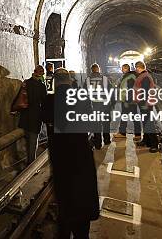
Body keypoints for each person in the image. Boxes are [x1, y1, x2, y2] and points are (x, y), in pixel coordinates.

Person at [50, 68, 99, 238]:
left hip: (60, 154)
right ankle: (81, 232)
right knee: (82, 191)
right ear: (70, 80)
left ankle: (64, 229)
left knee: (65, 195)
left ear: (55, 81)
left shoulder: (51, 100)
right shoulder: (82, 97)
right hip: (81, 152)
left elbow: (44, 118)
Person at [18, 65, 47, 164]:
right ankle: (31, 165)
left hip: (25, 115)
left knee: (26, 139)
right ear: (41, 74)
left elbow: (20, 97)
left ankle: (26, 160)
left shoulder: (26, 83)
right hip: (36, 116)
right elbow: (44, 103)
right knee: (33, 141)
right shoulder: (41, 86)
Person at [85, 63, 112, 149]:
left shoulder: (88, 80)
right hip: (105, 105)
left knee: (96, 125)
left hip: (93, 105)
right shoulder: (105, 79)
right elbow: (111, 90)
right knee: (106, 123)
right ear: (98, 69)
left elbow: (84, 93)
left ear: (91, 70)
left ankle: (98, 144)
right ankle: (107, 140)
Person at [134, 61, 159, 152]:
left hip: (145, 104)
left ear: (138, 67)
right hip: (143, 103)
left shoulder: (145, 77)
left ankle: (154, 145)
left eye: (136, 68)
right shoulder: (144, 76)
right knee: (145, 123)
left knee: (149, 124)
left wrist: (144, 103)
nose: (135, 70)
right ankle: (147, 140)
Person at [114, 63, 141, 140]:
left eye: (123, 68)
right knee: (131, 116)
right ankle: (137, 134)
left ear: (126, 69)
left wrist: (127, 101)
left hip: (129, 100)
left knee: (128, 116)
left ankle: (125, 133)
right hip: (128, 100)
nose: (121, 70)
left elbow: (130, 90)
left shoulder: (130, 77)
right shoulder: (127, 76)